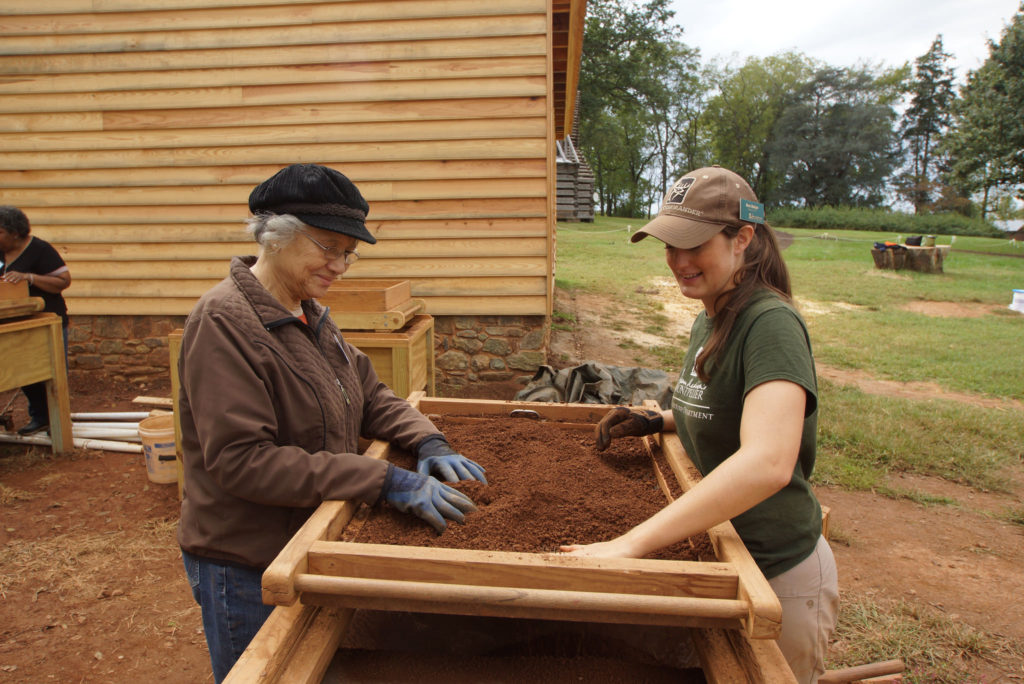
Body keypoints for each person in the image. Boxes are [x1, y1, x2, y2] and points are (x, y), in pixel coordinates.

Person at [177, 163, 486, 683]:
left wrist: (427, 440)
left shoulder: (309, 312)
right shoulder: (224, 322)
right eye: (328, 247)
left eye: (349, 252)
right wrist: (383, 479)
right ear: (275, 237)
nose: (341, 265)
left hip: (307, 542)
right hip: (247, 561)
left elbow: (368, 394)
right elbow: (242, 462)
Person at [560, 166, 838, 683]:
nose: (679, 261)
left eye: (694, 245)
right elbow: (723, 413)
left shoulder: (769, 323)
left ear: (743, 239)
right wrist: (657, 418)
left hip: (776, 572)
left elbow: (769, 462)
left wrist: (631, 542)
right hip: (724, 557)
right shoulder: (711, 314)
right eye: (670, 245)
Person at [0, 206, 72, 436]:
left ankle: (58, 422)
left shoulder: (40, 250)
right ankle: (40, 417)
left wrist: (29, 277)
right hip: (15, 323)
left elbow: (63, 281)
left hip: (47, 321)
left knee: (52, 372)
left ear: (15, 232)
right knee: (24, 372)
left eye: (0, 232)